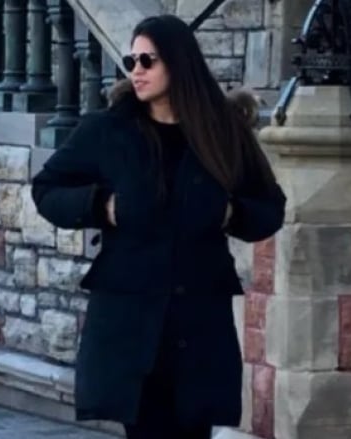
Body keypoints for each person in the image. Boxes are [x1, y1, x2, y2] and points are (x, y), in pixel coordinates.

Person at [31, 14, 286, 439]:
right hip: (131, 321)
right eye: (132, 60)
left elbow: (269, 207)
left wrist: (230, 214)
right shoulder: (108, 130)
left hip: (199, 321)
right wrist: (103, 206)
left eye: (147, 60)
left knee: (193, 428)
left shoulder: (221, 132)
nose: (136, 71)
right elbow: (47, 189)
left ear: (178, 62)